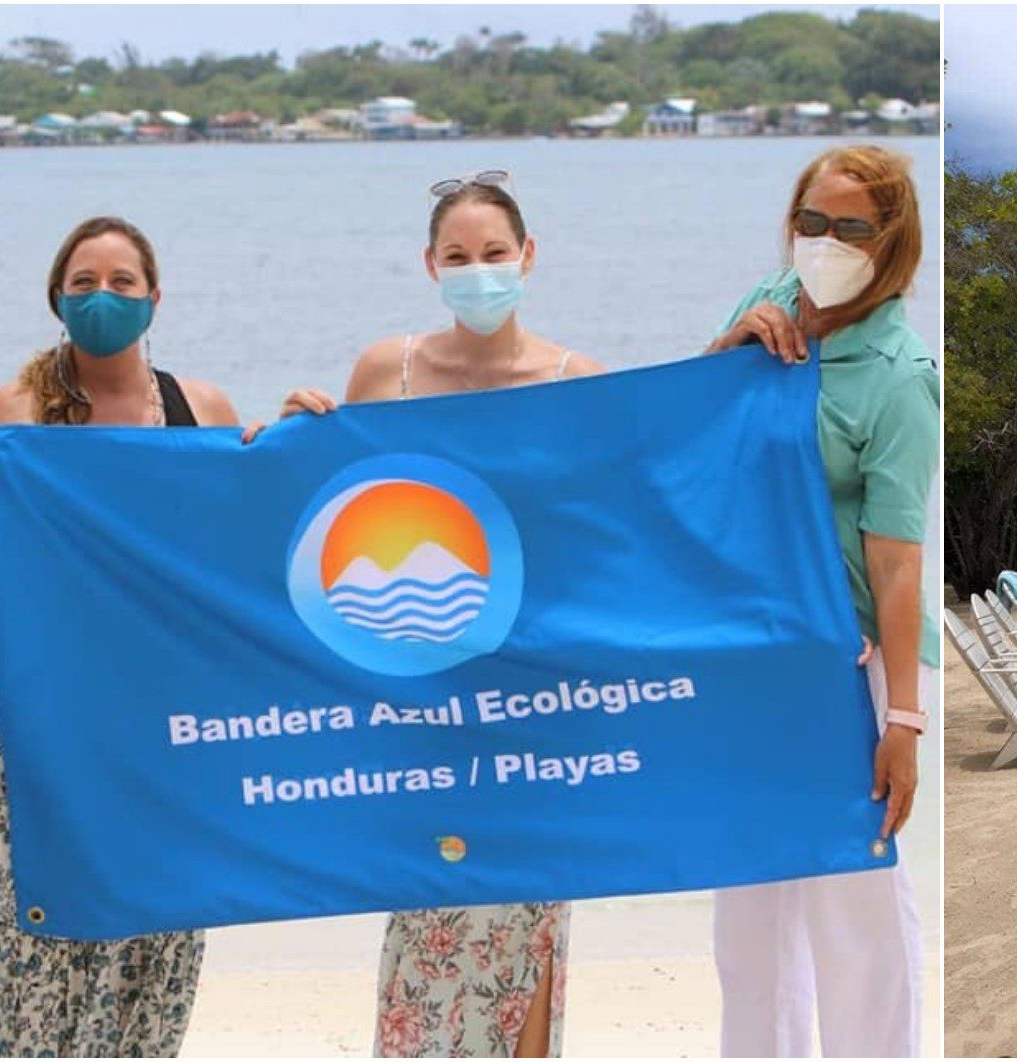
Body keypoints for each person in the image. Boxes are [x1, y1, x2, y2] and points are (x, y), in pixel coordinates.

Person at [252, 171, 604, 1058]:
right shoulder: (387, 370)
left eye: (494, 254)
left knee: (528, 926)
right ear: (429, 265)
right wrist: (283, 440)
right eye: (459, 256)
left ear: (528, 257)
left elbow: (621, 528)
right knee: (425, 921)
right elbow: (327, 517)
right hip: (414, 704)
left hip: (533, 707)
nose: (478, 270)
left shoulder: (577, 381)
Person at [0, 215, 240, 1055]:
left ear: (154, 297)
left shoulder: (200, 409)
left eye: (120, 282)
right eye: (83, 283)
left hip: (161, 726)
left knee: (148, 935)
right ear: (55, 298)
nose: (102, 297)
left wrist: (303, 434)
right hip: (36, 721)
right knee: (5, 929)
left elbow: (243, 552)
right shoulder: (17, 410)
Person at [703, 144, 939, 1057]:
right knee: (749, 914)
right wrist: (725, 354)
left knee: (857, 909)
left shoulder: (900, 375)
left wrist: (905, 722)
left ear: (892, 242)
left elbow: (898, 564)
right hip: (747, 651)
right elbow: (698, 454)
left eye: (851, 228)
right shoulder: (765, 296)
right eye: (812, 220)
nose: (825, 241)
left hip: (851, 667)